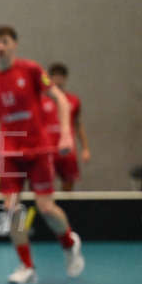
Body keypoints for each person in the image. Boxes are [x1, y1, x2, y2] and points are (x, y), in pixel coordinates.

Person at [0, 24, 85, 284]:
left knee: (46, 208)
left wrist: (64, 134)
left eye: (5, 41)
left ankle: (68, 242)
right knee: (11, 208)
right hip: (9, 151)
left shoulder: (31, 70)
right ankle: (26, 266)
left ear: (14, 44)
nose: (0, 47)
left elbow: (60, 100)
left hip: (38, 149)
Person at [40, 62, 90, 191]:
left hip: (67, 150)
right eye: (55, 77)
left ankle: (66, 208)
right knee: (44, 184)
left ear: (65, 79)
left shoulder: (73, 100)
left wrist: (85, 148)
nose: (58, 80)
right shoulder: (41, 101)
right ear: (49, 79)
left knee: (68, 183)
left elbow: (78, 125)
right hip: (47, 149)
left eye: (61, 77)